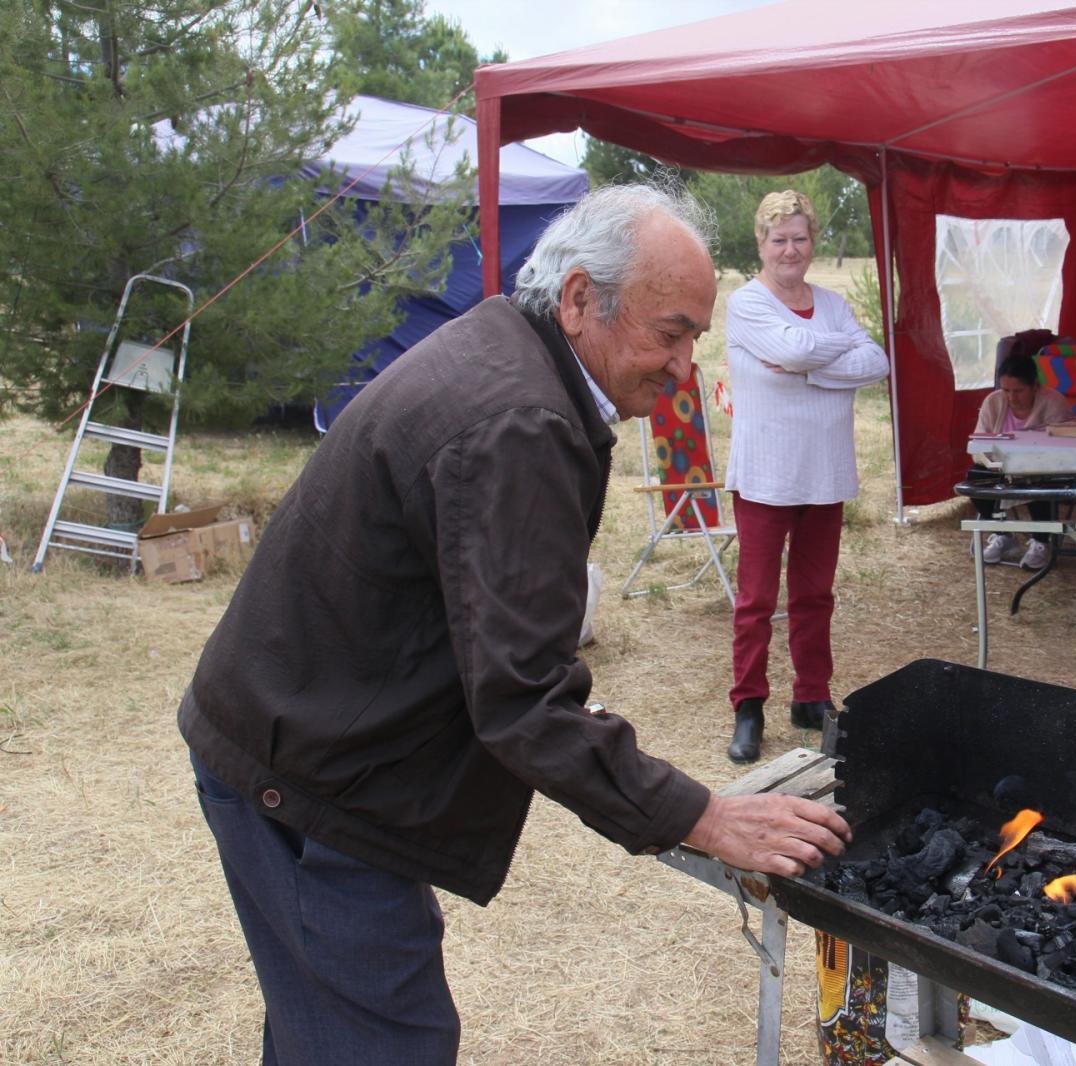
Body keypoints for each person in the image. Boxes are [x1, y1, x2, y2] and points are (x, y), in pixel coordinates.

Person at [178, 184, 853, 1065]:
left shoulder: (516, 353)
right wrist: (699, 815)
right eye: (671, 332)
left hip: (304, 739)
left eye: (696, 337)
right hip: (305, 778)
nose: (686, 368)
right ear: (578, 299)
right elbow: (524, 701)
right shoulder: (519, 419)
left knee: (328, 1031)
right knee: (387, 1044)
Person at [722, 189, 888, 764]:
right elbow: (793, 352)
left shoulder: (833, 304)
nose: (790, 250)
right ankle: (748, 706)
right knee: (757, 600)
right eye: (778, 239)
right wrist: (822, 360)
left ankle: (811, 698)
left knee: (815, 595)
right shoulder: (746, 303)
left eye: (799, 238)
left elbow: (875, 362)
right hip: (767, 474)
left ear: (812, 241)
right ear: (761, 244)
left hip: (825, 473)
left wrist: (812, 365)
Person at [968, 350, 1071, 569]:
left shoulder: (1054, 403)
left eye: (1018, 391)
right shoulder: (993, 402)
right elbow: (978, 442)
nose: (1011, 397)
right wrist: (991, 463)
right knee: (974, 477)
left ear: (1035, 386)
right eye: (1006, 390)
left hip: (1042, 467)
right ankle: (1002, 534)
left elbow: (1059, 449)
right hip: (1001, 467)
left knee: (1037, 481)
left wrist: (1022, 463)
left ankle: (1041, 541)